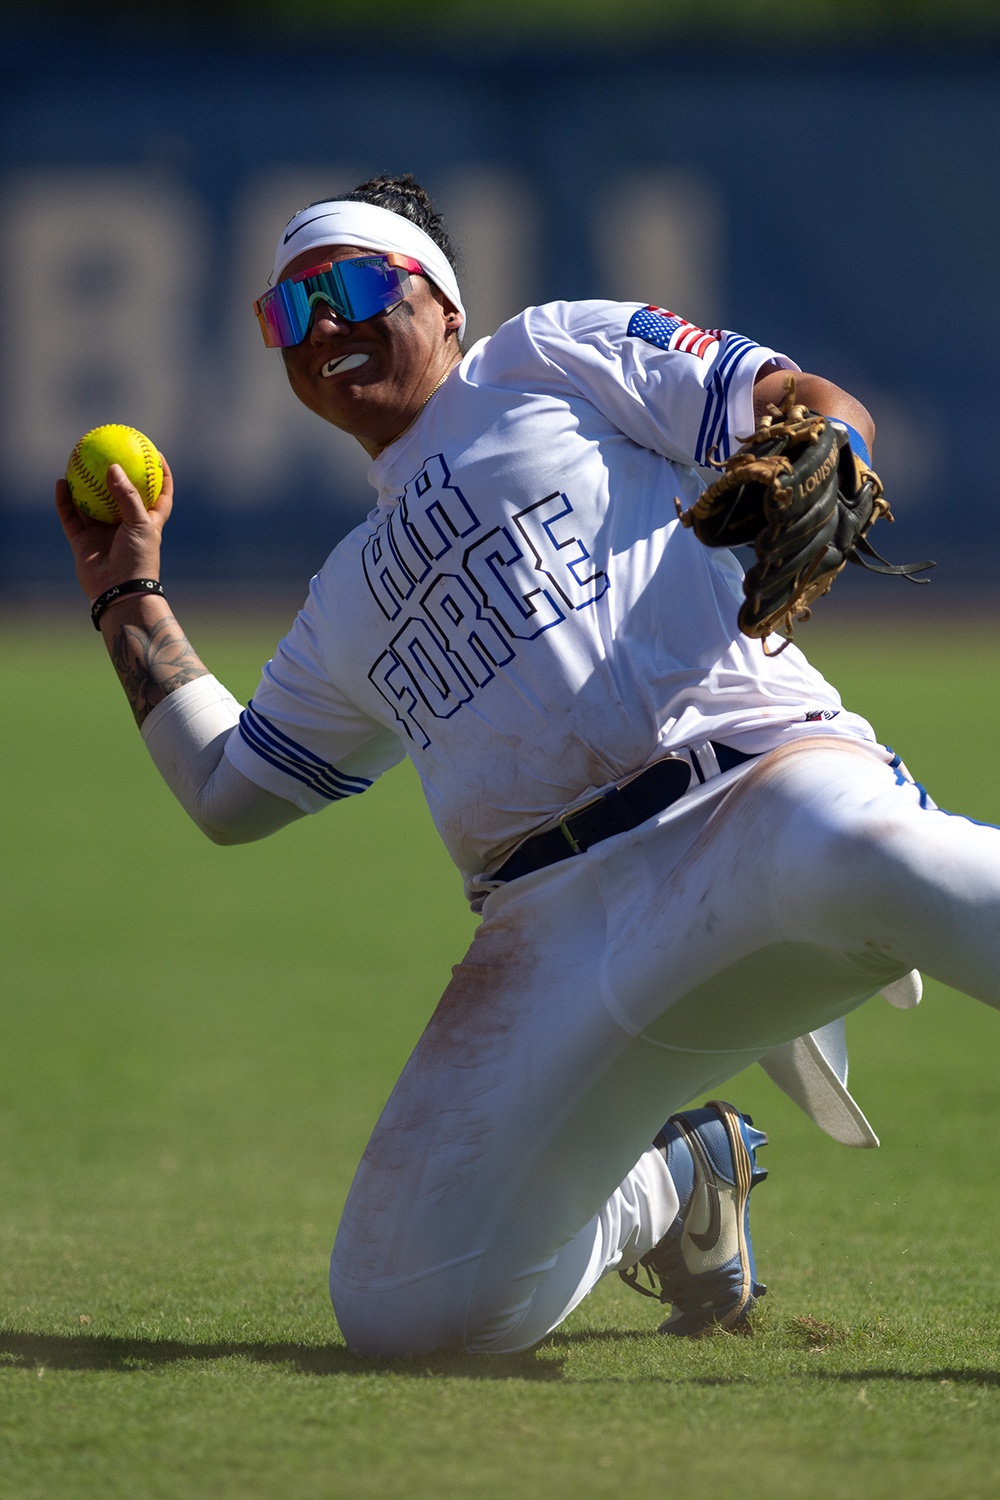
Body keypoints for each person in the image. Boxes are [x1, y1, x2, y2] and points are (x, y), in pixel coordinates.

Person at [56, 173, 993, 1360]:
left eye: (348, 287)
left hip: (756, 796)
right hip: (548, 931)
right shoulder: (342, 597)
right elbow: (230, 794)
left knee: (902, 860)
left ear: (444, 305)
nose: (323, 328)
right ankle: (676, 1181)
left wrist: (831, 445)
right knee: (406, 1311)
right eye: (287, 315)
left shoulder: (543, 358)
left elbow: (795, 399)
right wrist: (126, 595)